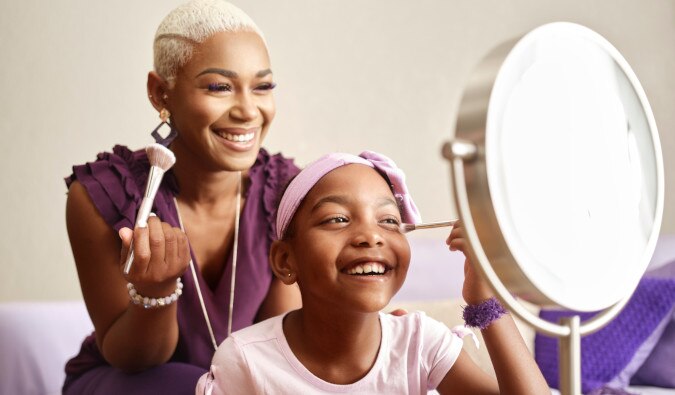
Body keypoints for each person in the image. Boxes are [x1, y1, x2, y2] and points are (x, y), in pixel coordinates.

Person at [63, 1, 302, 393]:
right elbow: (133, 358)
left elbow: (283, 346)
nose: (247, 110)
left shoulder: (285, 193)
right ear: (161, 93)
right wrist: (154, 292)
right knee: (189, 384)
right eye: (219, 87)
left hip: (243, 385)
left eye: (262, 86)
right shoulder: (103, 195)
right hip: (130, 381)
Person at [196, 151, 550, 394]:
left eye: (389, 221)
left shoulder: (419, 342)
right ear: (286, 261)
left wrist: (484, 300)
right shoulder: (245, 360)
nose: (371, 236)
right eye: (337, 219)